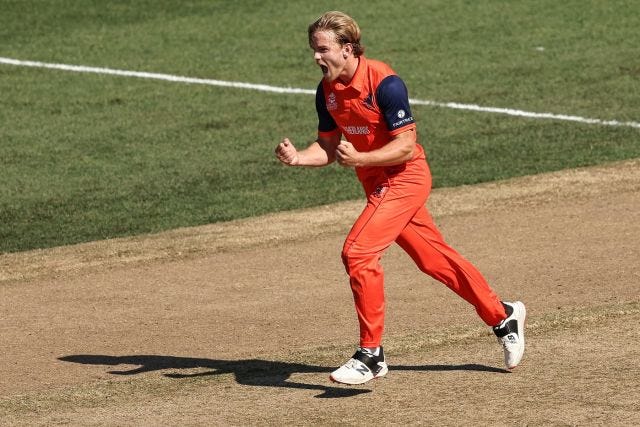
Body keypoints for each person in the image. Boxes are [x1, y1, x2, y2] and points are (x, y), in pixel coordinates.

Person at [275, 10, 526, 385]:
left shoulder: (385, 84)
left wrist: (361, 158)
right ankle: (502, 315)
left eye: (322, 49)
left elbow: (406, 148)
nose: (316, 57)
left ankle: (371, 355)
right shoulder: (325, 91)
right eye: (313, 49)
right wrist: (298, 158)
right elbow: (327, 147)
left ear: (347, 49)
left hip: (405, 178)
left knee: (358, 252)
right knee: (434, 260)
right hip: (377, 184)